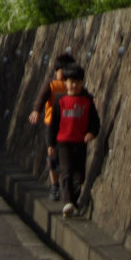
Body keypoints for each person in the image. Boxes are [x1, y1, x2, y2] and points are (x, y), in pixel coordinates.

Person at [46, 62, 100, 218]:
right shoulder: (60, 101)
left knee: (79, 176)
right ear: (65, 82)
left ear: (82, 83)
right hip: (63, 143)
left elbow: (95, 122)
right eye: (70, 81)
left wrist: (91, 133)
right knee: (66, 171)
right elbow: (53, 124)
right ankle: (67, 201)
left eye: (77, 82)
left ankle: (73, 202)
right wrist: (50, 144)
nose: (74, 85)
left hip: (80, 143)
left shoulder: (87, 101)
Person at [28, 50, 73, 201]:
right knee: (52, 156)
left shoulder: (72, 86)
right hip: (51, 126)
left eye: (66, 71)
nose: (63, 74)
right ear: (56, 71)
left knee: (66, 157)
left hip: (67, 126)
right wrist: (36, 110)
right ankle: (54, 185)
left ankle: (66, 185)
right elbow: (41, 98)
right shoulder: (52, 85)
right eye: (61, 71)